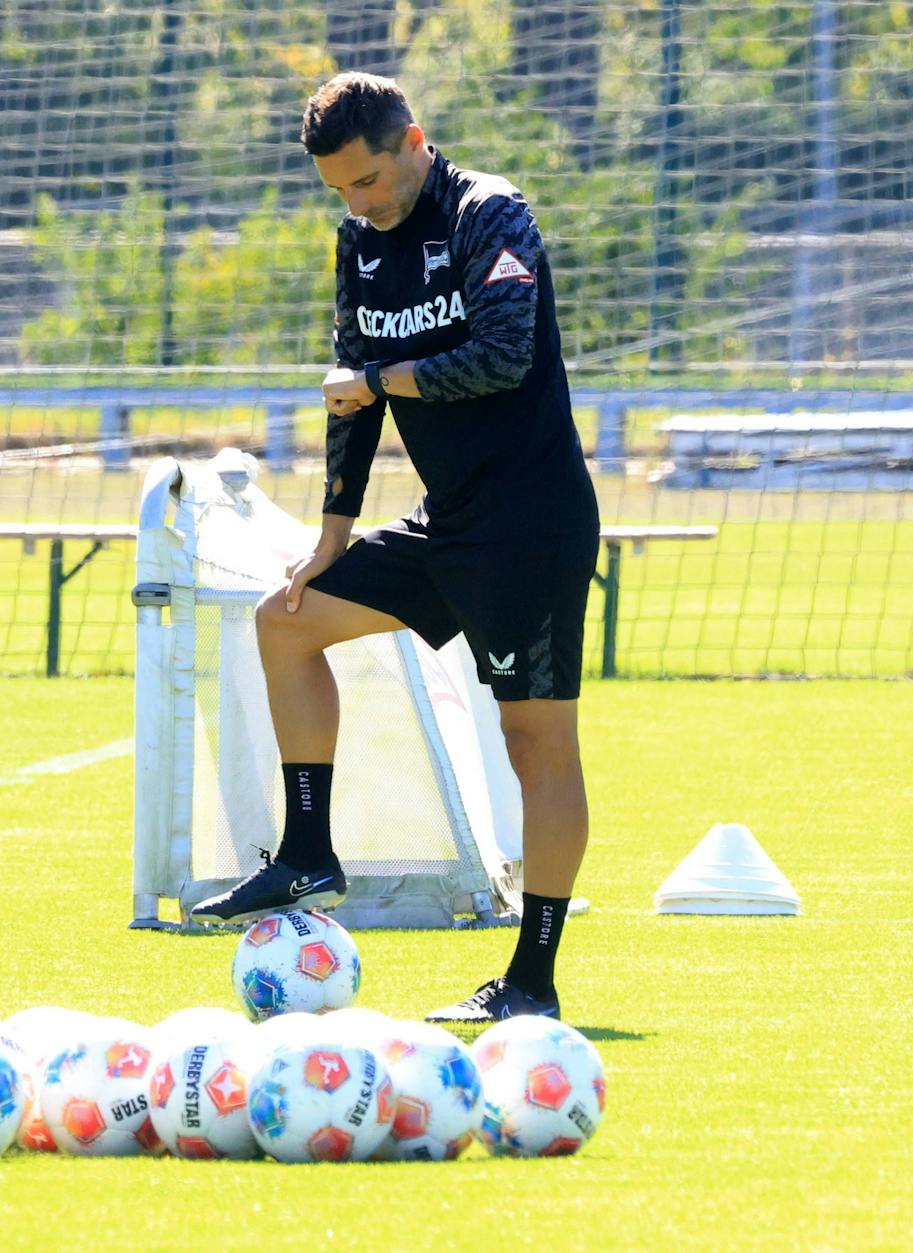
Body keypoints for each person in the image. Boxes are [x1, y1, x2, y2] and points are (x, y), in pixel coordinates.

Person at [190, 72, 602, 1026]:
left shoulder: (491, 214)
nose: (359, 204)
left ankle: (531, 983)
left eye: (369, 181)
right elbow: (351, 389)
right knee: (286, 623)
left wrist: (375, 378)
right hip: (447, 523)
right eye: (340, 190)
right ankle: (306, 855)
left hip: (531, 525)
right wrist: (331, 533)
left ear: (414, 140)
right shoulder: (360, 244)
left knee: (536, 743)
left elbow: (498, 357)